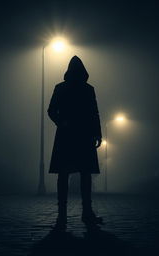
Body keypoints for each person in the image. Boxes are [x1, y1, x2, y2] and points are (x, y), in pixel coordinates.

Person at [48, 56, 103, 229]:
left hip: (66, 135)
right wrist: (97, 133)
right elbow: (95, 114)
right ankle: (87, 213)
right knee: (85, 174)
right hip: (84, 135)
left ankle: (62, 215)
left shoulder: (60, 88)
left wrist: (61, 122)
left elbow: (51, 110)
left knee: (64, 175)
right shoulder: (88, 89)